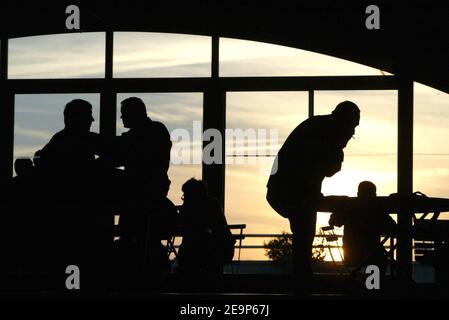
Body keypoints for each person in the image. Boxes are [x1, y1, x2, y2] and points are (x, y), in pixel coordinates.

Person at [266, 100, 360, 293]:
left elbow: (318, 167)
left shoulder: (318, 127)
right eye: (352, 128)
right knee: (303, 236)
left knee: (303, 236)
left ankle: (302, 284)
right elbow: (327, 168)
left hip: (288, 190)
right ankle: (302, 286)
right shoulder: (325, 133)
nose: (351, 134)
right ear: (344, 123)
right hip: (293, 192)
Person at [112, 97, 173, 287]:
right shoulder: (155, 131)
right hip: (149, 196)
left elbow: (124, 156)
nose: (121, 118)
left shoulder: (142, 136)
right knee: (143, 240)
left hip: (143, 197)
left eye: (124, 114)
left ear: (134, 113)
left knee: (137, 238)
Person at [329, 181, 396, 272]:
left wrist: (341, 205)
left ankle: (361, 284)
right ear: (375, 195)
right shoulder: (377, 211)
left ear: (358, 194)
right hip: (372, 256)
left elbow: (333, 221)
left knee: (377, 262)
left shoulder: (349, 207)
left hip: (351, 255)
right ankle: (372, 285)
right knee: (381, 263)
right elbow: (392, 228)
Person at [177, 178, 235, 285]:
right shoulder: (212, 204)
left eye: (185, 195)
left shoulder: (196, 207)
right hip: (222, 248)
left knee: (188, 249)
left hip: (215, 250)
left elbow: (184, 227)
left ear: (192, 195)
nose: (184, 199)